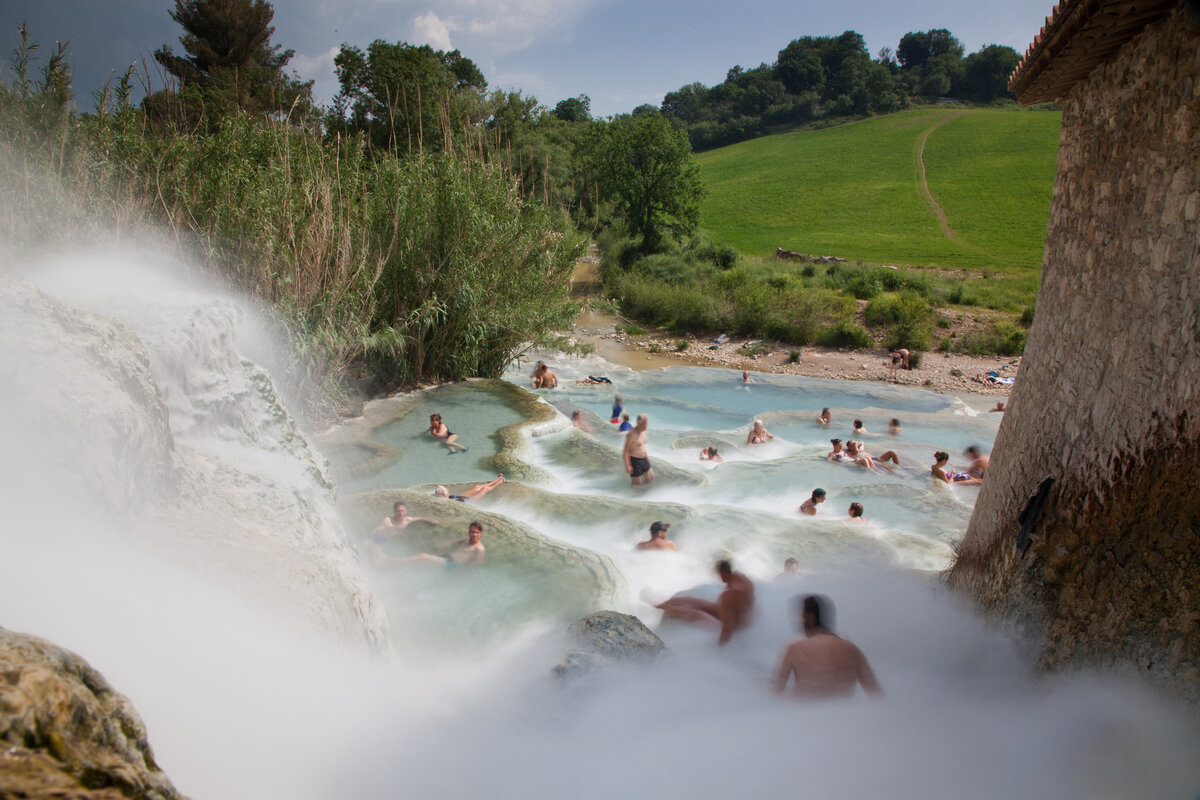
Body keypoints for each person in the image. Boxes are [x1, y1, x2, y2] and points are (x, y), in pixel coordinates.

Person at [772, 594, 882, 698]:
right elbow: (876, 693)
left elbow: (775, 693)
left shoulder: (795, 649)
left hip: (806, 715)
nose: (799, 624)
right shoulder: (852, 649)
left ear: (811, 618)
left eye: (801, 618)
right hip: (846, 715)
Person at [653, 559, 755, 646]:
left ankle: (664, 606)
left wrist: (720, 650)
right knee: (698, 601)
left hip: (733, 627)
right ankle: (665, 602)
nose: (719, 578)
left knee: (693, 613)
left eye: (719, 574)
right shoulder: (742, 578)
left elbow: (727, 630)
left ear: (723, 573)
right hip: (739, 618)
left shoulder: (728, 596)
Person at [391, 521, 487, 568]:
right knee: (423, 559)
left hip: (453, 565)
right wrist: (442, 545)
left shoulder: (480, 549)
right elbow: (454, 542)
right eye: (471, 532)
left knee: (423, 556)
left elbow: (475, 565)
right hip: (447, 557)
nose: (473, 534)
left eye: (476, 532)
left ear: (481, 533)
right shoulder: (466, 539)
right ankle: (402, 566)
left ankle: (392, 562)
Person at [372, 501, 439, 537]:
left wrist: (433, 522)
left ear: (406, 511)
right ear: (394, 512)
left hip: (398, 541)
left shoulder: (408, 520)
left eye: (403, 511)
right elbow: (378, 529)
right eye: (398, 511)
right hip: (385, 540)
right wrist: (368, 539)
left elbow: (421, 518)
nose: (401, 513)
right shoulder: (388, 520)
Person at [623, 414, 655, 486]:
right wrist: (628, 465)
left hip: (644, 459)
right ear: (638, 423)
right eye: (644, 425)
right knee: (636, 484)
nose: (645, 427)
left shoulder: (644, 432)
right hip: (635, 460)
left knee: (651, 477)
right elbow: (626, 451)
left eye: (646, 425)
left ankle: (643, 494)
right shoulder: (631, 434)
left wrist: (646, 456)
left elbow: (643, 445)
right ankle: (630, 495)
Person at [434, 474, 506, 502]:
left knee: (477, 487)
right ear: (444, 493)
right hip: (469, 501)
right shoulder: (447, 501)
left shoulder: (448, 497)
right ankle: (499, 483)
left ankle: (495, 481)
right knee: (485, 489)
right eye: (445, 489)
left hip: (461, 497)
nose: (447, 489)